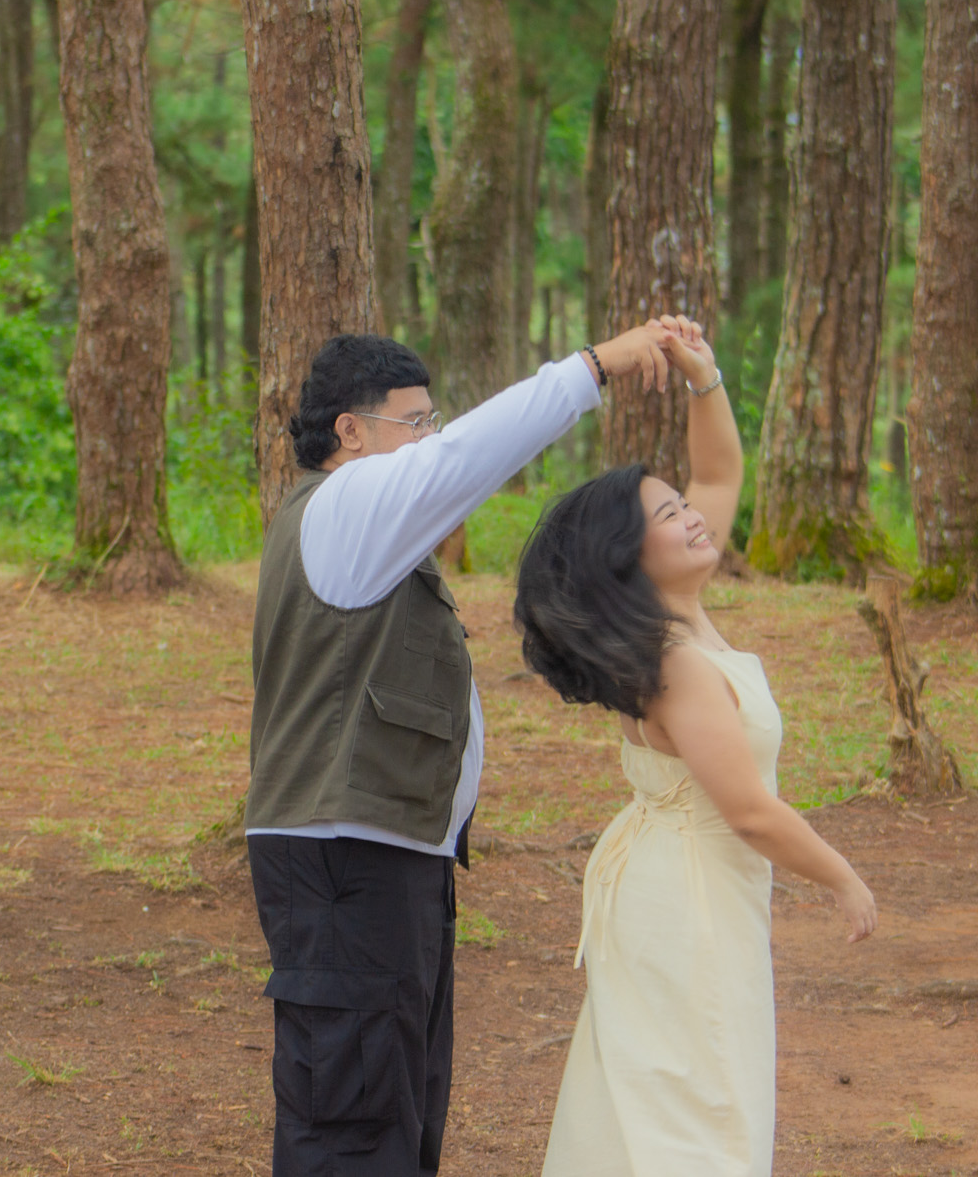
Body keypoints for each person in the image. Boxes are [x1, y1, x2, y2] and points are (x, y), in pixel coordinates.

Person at [247, 322, 681, 1177]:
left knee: (395, 1106)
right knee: (353, 1124)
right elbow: (465, 461)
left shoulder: (369, 531)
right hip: (346, 862)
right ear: (351, 430)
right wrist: (594, 368)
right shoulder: (343, 508)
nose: (432, 440)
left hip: (382, 858)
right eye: (417, 422)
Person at [513, 318, 878, 1177]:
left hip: (692, 886)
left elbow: (720, 471)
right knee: (694, 1107)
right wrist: (843, 877)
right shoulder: (672, 661)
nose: (692, 515)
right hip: (686, 899)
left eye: (681, 505)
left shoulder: (675, 608)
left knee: (682, 1093)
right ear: (625, 558)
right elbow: (749, 810)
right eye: (667, 514)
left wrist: (702, 377)